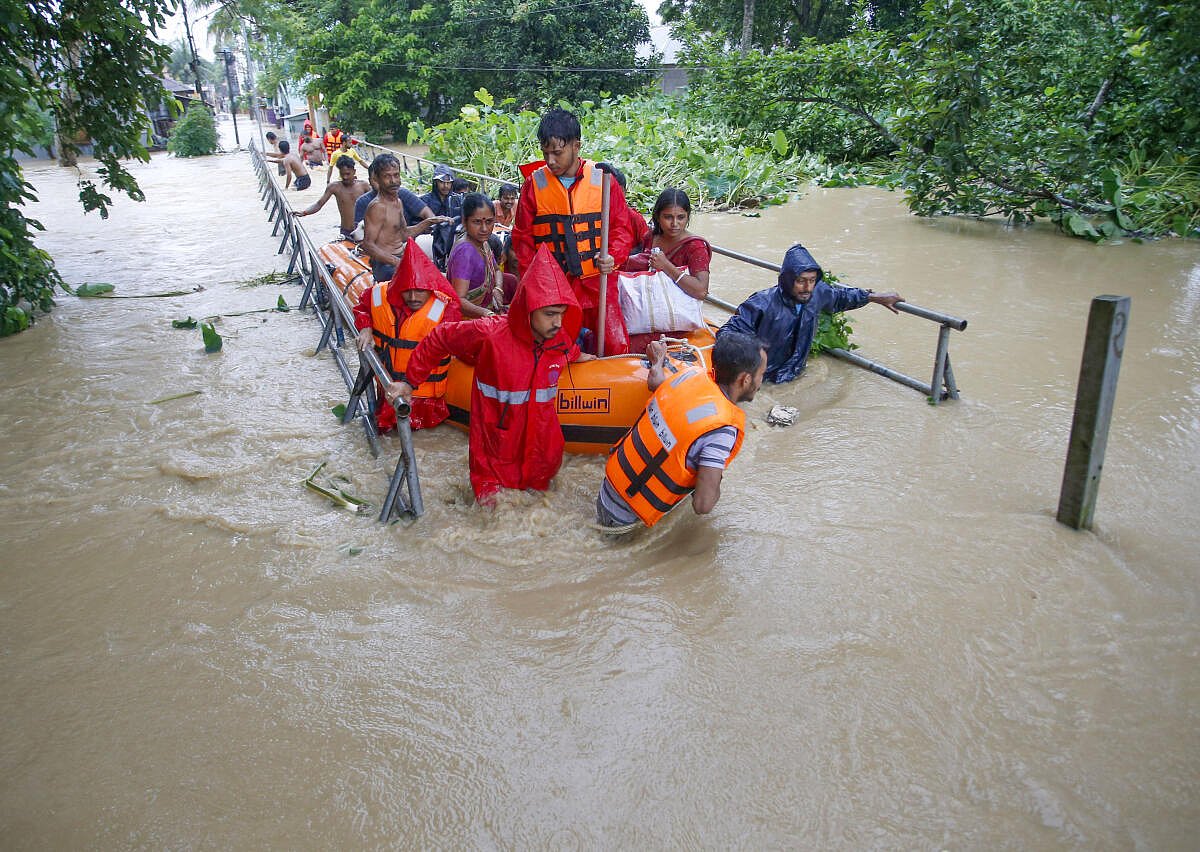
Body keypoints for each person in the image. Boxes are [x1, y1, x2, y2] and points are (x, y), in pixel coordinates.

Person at [390, 246, 596, 505]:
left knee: (541, 512)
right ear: (529, 309)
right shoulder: (490, 334)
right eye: (550, 314)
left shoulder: (558, 338)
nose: (557, 322)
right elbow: (439, 337)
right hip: (495, 453)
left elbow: (565, 349)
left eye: (561, 315)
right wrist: (410, 382)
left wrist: (578, 356)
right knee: (494, 518)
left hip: (541, 453)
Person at [596, 331, 766, 529]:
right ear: (745, 379)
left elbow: (655, 382)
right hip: (625, 521)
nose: (761, 382)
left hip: (607, 491)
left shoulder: (690, 375)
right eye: (761, 374)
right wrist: (715, 478)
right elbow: (703, 505)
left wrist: (658, 360)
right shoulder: (722, 431)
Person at [512, 108, 635, 355]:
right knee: (556, 348)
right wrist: (534, 282)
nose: (550, 161)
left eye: (557, 153)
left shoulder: (604, 181)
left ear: (576, 146)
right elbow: (523, 240)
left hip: (598, 283)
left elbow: (622, 229)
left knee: (613, 345)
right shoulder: (533, 186)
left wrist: (613, 257)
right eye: (545, 153)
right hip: (555, 287)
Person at [719, 243, 905, 383]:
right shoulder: (761, 304)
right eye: (800, 281)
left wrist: (874, 297)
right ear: (787, 279)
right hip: (763, 377)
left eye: (812, 280)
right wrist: (755, 352)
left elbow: (841, 297)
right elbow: (727, 333)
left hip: (795, 372)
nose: (807, 287)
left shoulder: (818, 293)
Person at [353, 239, 463, 432]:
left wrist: (409, 383)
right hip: (388, 391)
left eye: (420, 290)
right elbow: (362, 307)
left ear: (430, 286)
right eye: (407, 291)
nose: (413, 297)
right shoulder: (378, 294)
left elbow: (449, 347)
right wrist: (365, 327)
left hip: (425, 401)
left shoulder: (447, 309)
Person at [621, 187, 711, 353]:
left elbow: (700, 291)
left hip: (677, 321)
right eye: (668, 217)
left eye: (681, 217)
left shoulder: (695, 246)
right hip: (645, 314)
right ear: (657, 217)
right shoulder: (651, 237)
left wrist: (667, 267)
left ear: (688, 217)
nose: (675, 224)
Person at [361, 154, 450, 282]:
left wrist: (428, 222)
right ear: (376, 178)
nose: (393, 181)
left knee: (441, 276)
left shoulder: (398, 202)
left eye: (396, 175)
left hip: (400, 256)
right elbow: (368, 245)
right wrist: (397, 262)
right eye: (387, 176)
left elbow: (403, 234)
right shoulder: (377, 207)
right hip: (385, 266)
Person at [446, 193, 519, 318]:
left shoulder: (483, 243)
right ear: (464, 222)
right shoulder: (465, 253)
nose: (484, 229)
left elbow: (497, 270)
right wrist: (488, 314)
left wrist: (498, 289)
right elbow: (459, 300)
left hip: (485, 310)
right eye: (477, 222)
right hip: (467, 321)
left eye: (489, 222)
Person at [293, 155, 370, 240]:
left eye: (348, 174)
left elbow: (376, 202)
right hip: (346, 231)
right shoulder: (334, 187)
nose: (345, 177)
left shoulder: (364, 186)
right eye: (342, 174)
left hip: (362, 231)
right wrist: (304, 212)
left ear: (354, 171)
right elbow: (319, 204)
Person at [596, 162, 650, 250]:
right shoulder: (591, 217)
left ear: (625, 193)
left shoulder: (635, 219)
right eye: (609, 193)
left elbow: (647, 248)